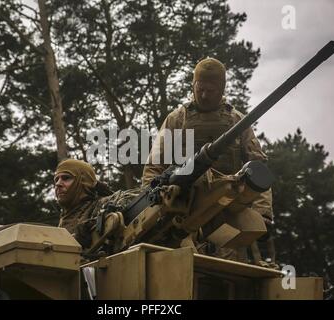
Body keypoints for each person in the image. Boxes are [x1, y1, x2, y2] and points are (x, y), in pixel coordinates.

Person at [142, 58, 274, 263]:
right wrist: (150, 207)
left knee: (227, 270)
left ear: (222, 89)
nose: (203, 95)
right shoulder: (177, 119)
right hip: (182, 213)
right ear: (193, 85)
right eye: (199, 89)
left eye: (210, 91)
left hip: (228, 210)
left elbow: (257, 168)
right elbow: (154, 166)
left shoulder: (237, 122)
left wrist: (262, 211)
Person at [54, 159, 140, 248]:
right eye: (56, 179)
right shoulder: (62, 222)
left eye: (66, 178)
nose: (58, 184)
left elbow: (136, 203)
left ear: (84, 181)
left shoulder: (106, 203)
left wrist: (96, 226)